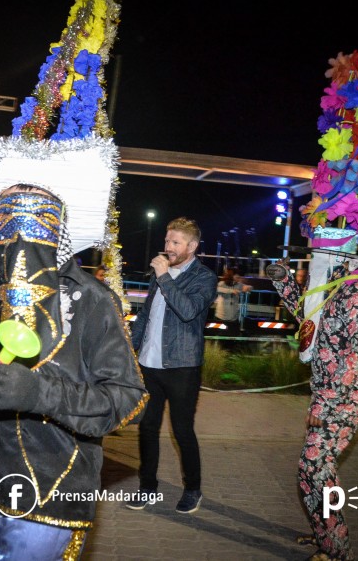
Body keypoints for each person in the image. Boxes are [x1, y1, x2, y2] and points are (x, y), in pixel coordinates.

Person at [0, 3, 147, 555]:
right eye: (5, 239)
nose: (19, 253)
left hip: (51, 505)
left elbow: (129, 399)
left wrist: (41, 392)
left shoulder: (91, 300)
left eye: (36, 235)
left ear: (61, 238)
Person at [270, 48, 358, 561]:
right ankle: (327, 533)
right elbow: (312, 320)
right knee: (317, 471)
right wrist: (285, 284)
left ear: (340, 243)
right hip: (327, 394)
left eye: (319, 239)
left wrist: (326, 410)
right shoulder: (328, 282)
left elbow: (357, 361)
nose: (312, 251)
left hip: (342, 398)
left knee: (312, 470)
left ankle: (337, 548)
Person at [125, 216, 217, 514]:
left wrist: (165, 277)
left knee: (182, 431)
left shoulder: (203, 277)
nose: (168, 247)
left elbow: (189, 311)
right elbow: (147, 315)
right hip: (149, 364)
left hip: (182, 367)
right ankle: (147, 487)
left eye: (175, 242)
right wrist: (130, 348)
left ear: (192, 245)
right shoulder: (159, 274)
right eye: (167, 241)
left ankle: (193, 489)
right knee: (147, 428)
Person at [213, 266, 252, 333]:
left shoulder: (238, 284)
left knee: (233, 336)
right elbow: (216, 289)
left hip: (233, 318)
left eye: (239, 277)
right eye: (237, 276)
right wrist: (232, 291)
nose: (238, 278)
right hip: (221, 316)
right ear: (231, 276)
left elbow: (250, 287)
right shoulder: (222, 284)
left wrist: (248, 288)